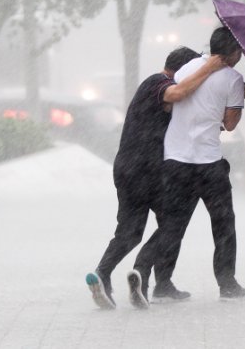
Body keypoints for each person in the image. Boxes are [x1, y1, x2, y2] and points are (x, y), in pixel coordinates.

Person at [85, 47, 225, 310]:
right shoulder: (157, 83)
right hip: (146, 171)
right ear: (184, 71)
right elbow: (178, 93)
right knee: (174, 222)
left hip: (131, 168)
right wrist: (209, 68)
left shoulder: (162, 89)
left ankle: (114, 275)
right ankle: (142, 271)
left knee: (134, 231)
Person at [127, 26, 245, 308]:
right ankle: (227, 284)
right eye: (240, 51)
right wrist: (239, 98)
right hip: (208, 163)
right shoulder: (233, 78)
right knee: (223, 224)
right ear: (233, 52)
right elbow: (230, 123)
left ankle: (143, 270)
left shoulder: (186, 69)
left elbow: (186, 99)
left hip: (175, 160)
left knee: (172, 224)